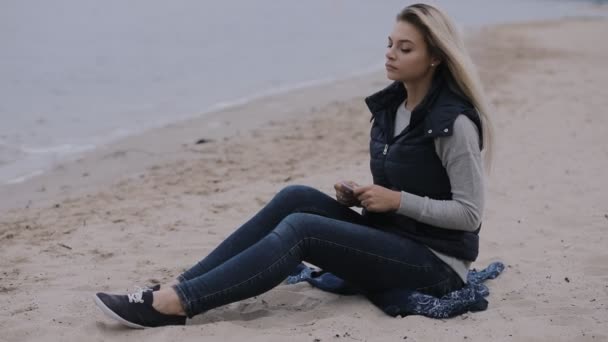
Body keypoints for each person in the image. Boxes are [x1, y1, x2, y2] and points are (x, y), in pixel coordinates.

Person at [94, 3, 494, 328]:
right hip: (396, 240)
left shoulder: (453, 123)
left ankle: (177, 304)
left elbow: (469, 214)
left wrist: (397, 200)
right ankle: (182, 282)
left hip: (437, 266)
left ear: (436, 58)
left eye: (405, 49)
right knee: (296, 197)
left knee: (302, 229)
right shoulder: (393, 108)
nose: (390, 53)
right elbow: (401, 186)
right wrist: (362, 197)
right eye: (390, 43)